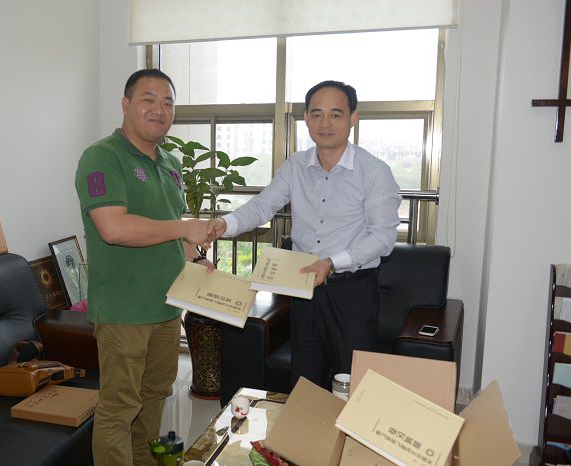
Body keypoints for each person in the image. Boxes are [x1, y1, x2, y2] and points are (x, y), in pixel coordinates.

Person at [208, 80, 401, 391]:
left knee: (351, 383)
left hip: (351, 292)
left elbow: (383, 237)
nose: (325, 123)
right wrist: (224, 224)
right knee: (305, 379)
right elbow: (263, 206)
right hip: (303, 288)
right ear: (306, 118)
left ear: (353, 118)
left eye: (336, 114)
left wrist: (332, 263)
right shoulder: (295, 166)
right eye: (316, 114)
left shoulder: (374, 171)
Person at [75, 68, 214, 466]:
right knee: (119, 408)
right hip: (124, 311)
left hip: (166, 307)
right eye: (148, 100)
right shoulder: (102, 157)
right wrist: (184, 228)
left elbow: (169, 228)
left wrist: (196, 258)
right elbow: (114, 228)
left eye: (168, 103)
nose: (159, 109)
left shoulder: (171, 162)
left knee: (154, 397)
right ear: (126, 104)